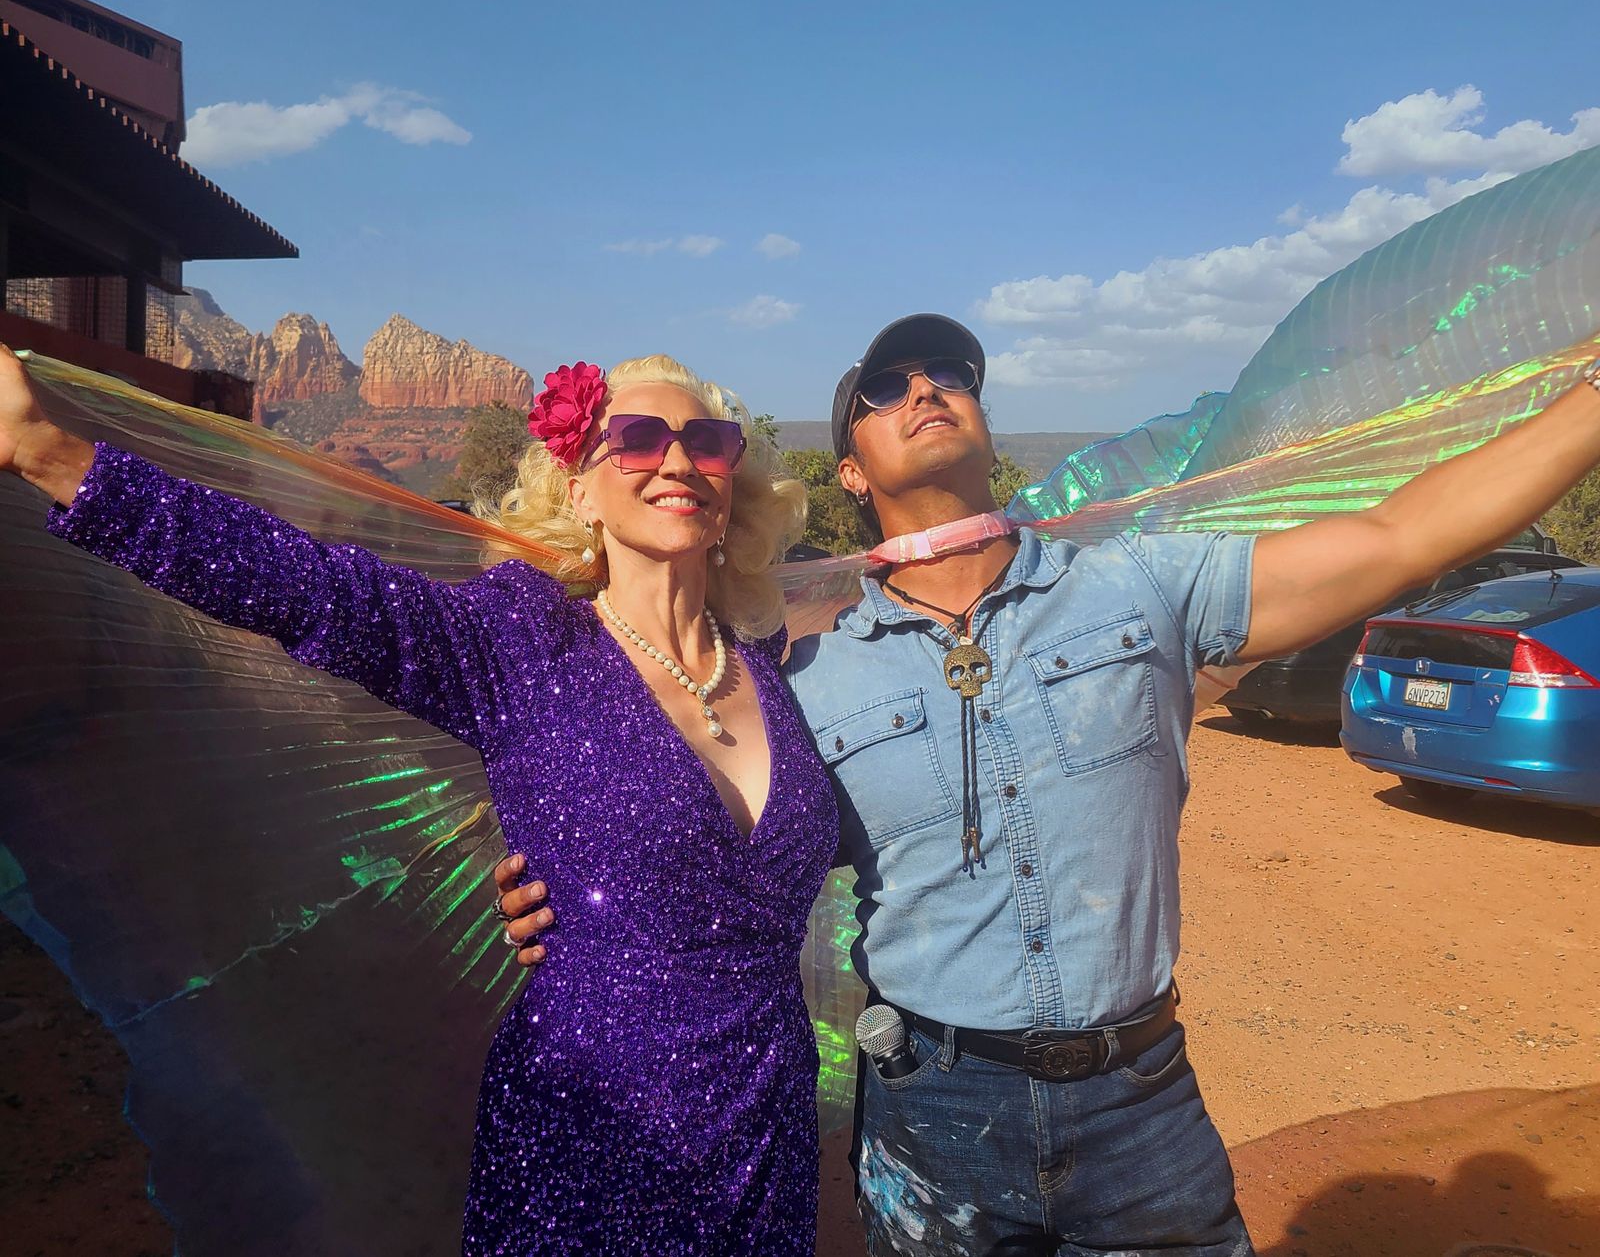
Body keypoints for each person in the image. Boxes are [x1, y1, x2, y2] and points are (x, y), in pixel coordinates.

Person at [498, 312, 1600, 1256]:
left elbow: (1402, 534)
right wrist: (563, 887)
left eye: (949, 374)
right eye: (884, 388)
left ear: (985, 425)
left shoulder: (1145, 587)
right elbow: (698, 852)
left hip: (1142, 1106)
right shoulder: (804, 684)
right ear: (849, 472)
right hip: (930, 1119)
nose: (925, 388)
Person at [0, 343, 838, 1257]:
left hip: (767, 1130)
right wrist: (52, 453)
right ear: (581, 493)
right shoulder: (524, 642)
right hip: (593, 1136)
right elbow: (313, 589)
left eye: (707, 442)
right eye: (637, 438)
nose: (677, 461)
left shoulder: (772, 672)